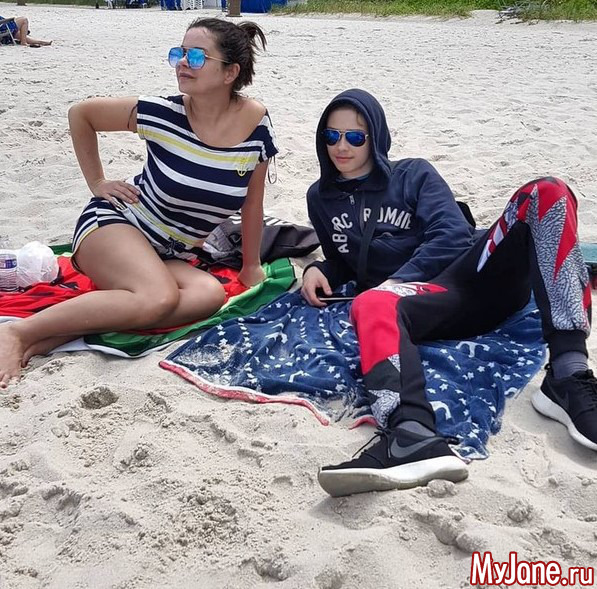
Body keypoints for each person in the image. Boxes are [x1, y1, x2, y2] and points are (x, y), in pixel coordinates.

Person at [301, 89, 597, 498]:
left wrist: (395, 281)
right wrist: (320, 268)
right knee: (370, 302)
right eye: (332, 136)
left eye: (355, 136)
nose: (341, 147)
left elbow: (453, 235)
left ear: (376, 137)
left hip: (472, 274)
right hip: (423, 303)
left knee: (547, 191)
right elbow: (343, 258)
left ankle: (568, 373)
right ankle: (411, 434)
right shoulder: (320, 197)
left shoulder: (413, 174)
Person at [0, 17, 277, 387]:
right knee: (158, 297)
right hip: (116, 225)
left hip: (170, 253)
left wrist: (251, 266)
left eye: (196, 57)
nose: (182, 63)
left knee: (209, 295)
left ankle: (58, 333)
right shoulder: (162, 113)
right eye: (179, 53)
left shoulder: (257, 126)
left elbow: (252, 204)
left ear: (230, 73)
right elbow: (81, 114)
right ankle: (18, 332)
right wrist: (98, 182)